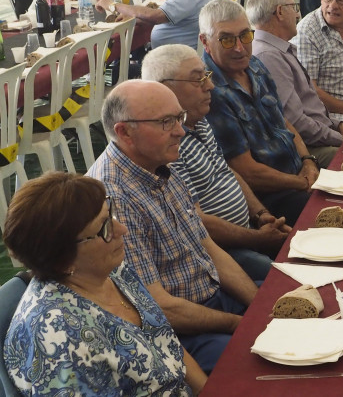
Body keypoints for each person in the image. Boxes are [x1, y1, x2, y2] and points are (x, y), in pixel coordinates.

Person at [87, 80, 259, 373]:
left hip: (216, 299)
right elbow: (160, 307)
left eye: (178, 118)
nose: (180, 130)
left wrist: (260, 307)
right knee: (262, 364)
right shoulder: (113, 199)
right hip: (183, 334)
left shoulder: (159, 162)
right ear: (124, 131)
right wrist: (242, 325)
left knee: (293, 303)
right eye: (166, 122)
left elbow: (209, 247)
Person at [2, 173, 207, 395]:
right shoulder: (61, 337)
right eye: (104, 228)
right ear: (63, 259)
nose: (121, 230)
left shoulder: (114, 271)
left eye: (111, 216)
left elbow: (168, 345)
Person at [142, 44, 290, 279]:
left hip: (248, 232)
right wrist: (258, 239)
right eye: (197, 80)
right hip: (218, 250)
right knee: (284, 278)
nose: (210, 86)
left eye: (206, 76)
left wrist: (262, 215)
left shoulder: (199, 119)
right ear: (165, 89)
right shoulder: (167, 145)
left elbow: (226, 171)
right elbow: (198, 222)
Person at [199, 0, 317, 226]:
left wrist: (308, 161)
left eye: (245, 35)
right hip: (269, 198)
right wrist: (301, 182)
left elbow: (283, 121)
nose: (239, 48)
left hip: (298, 176)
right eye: (226, 40)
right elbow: (247, 172)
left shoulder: (255, 65)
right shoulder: (210, 91)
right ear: (205, 42)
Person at [248, 0, 343, 167]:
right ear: (280, 12)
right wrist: (340, 138)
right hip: (305, 149)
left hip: (319, 133)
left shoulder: (279, 48)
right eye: (293, 7)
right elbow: (296, 123)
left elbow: (310, 107)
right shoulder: (268, 56)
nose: (297, 14)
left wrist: (338, 124)